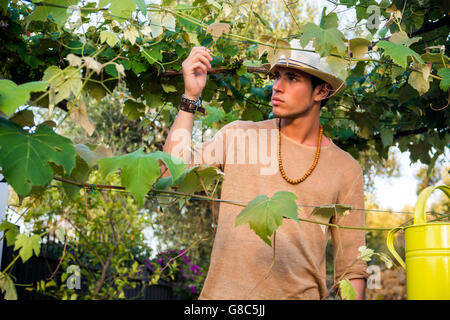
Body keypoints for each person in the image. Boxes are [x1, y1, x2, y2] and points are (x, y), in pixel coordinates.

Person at [162, 39, 368, 300]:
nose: (277, 86)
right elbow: (171, 173)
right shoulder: (240, 135)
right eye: (277, 76)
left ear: (322, 91)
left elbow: (352, 268)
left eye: (292, 78)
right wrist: (190, 97)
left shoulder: (346, 169)